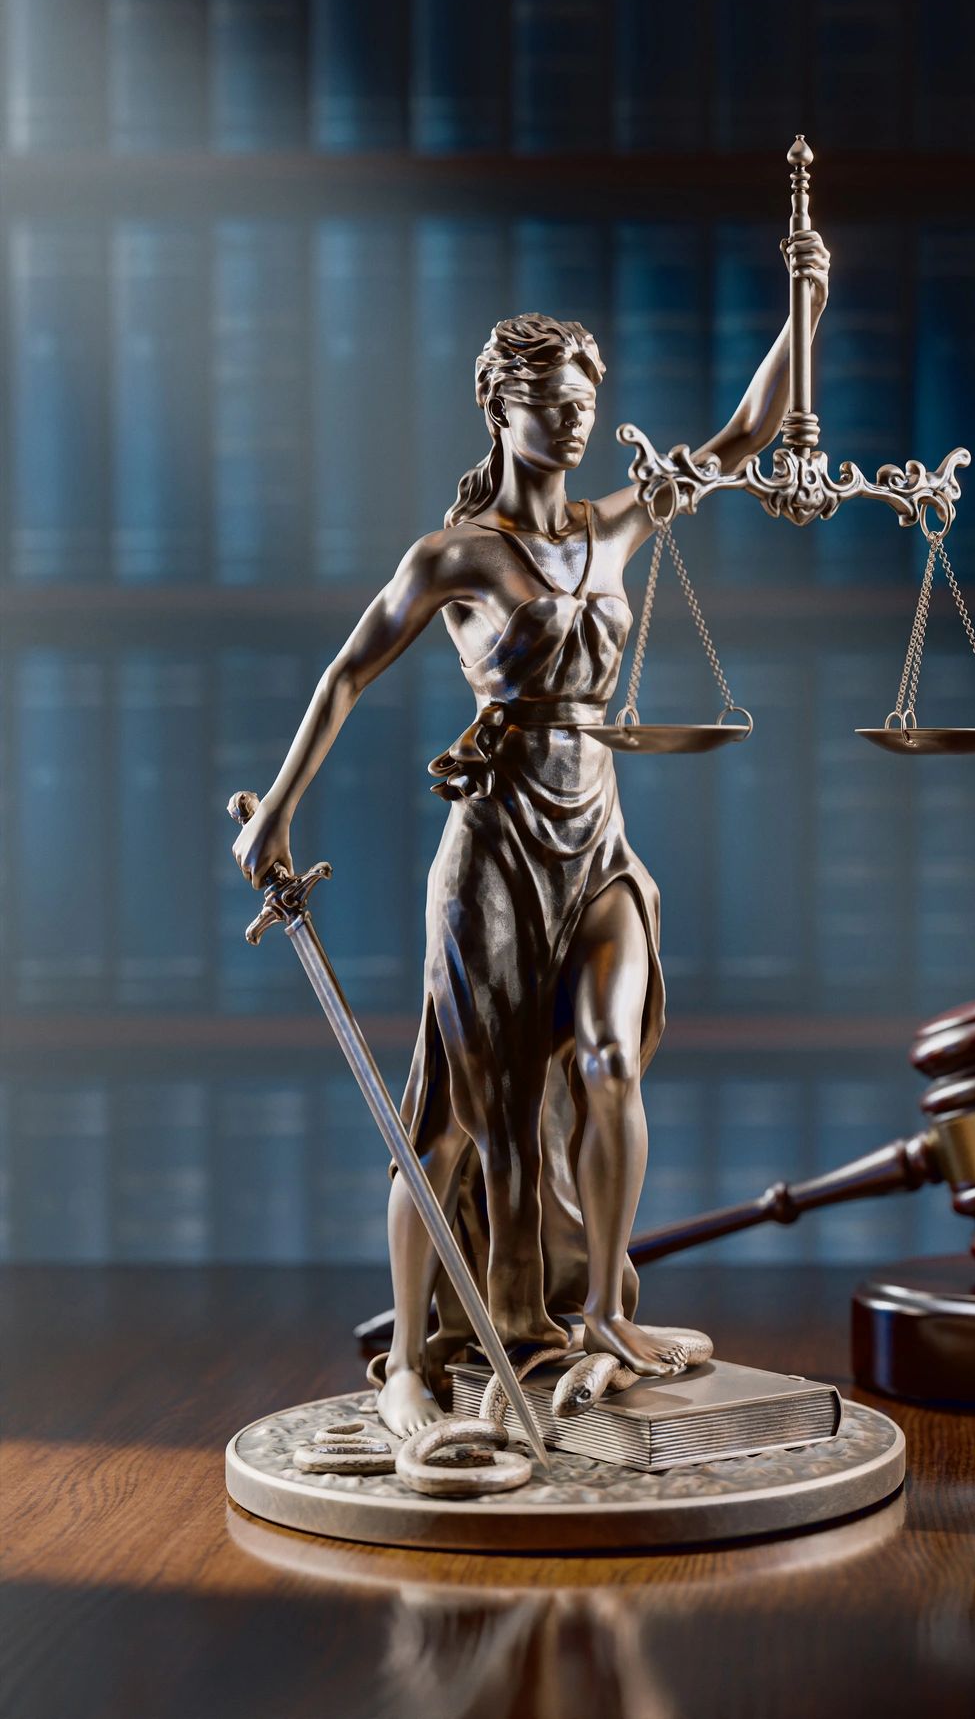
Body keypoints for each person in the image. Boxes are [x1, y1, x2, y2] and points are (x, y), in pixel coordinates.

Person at [233, 231, 830, 1435]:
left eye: (585, 404)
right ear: (500, 411)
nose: (572, 422)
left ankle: (602, 1308)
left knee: (610, 1060)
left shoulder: (616, 525)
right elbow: (347, 674)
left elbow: (744, 434)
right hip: (495, 848)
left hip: (596, 836)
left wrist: (806, 302)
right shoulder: (456, 556)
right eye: (551, 404)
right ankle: (413, 1359)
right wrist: (278, 813)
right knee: (456, 1115)